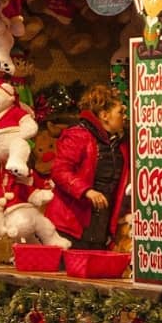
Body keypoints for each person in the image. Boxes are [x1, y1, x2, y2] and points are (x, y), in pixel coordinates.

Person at [46, 84, 130, 249]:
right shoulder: (78, 135)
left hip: (101, 224)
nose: (124, 117)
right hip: (72, 224)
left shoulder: (119, 142)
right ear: (105, 115)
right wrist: (86, 191)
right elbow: (60, 171)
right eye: (120, 112)